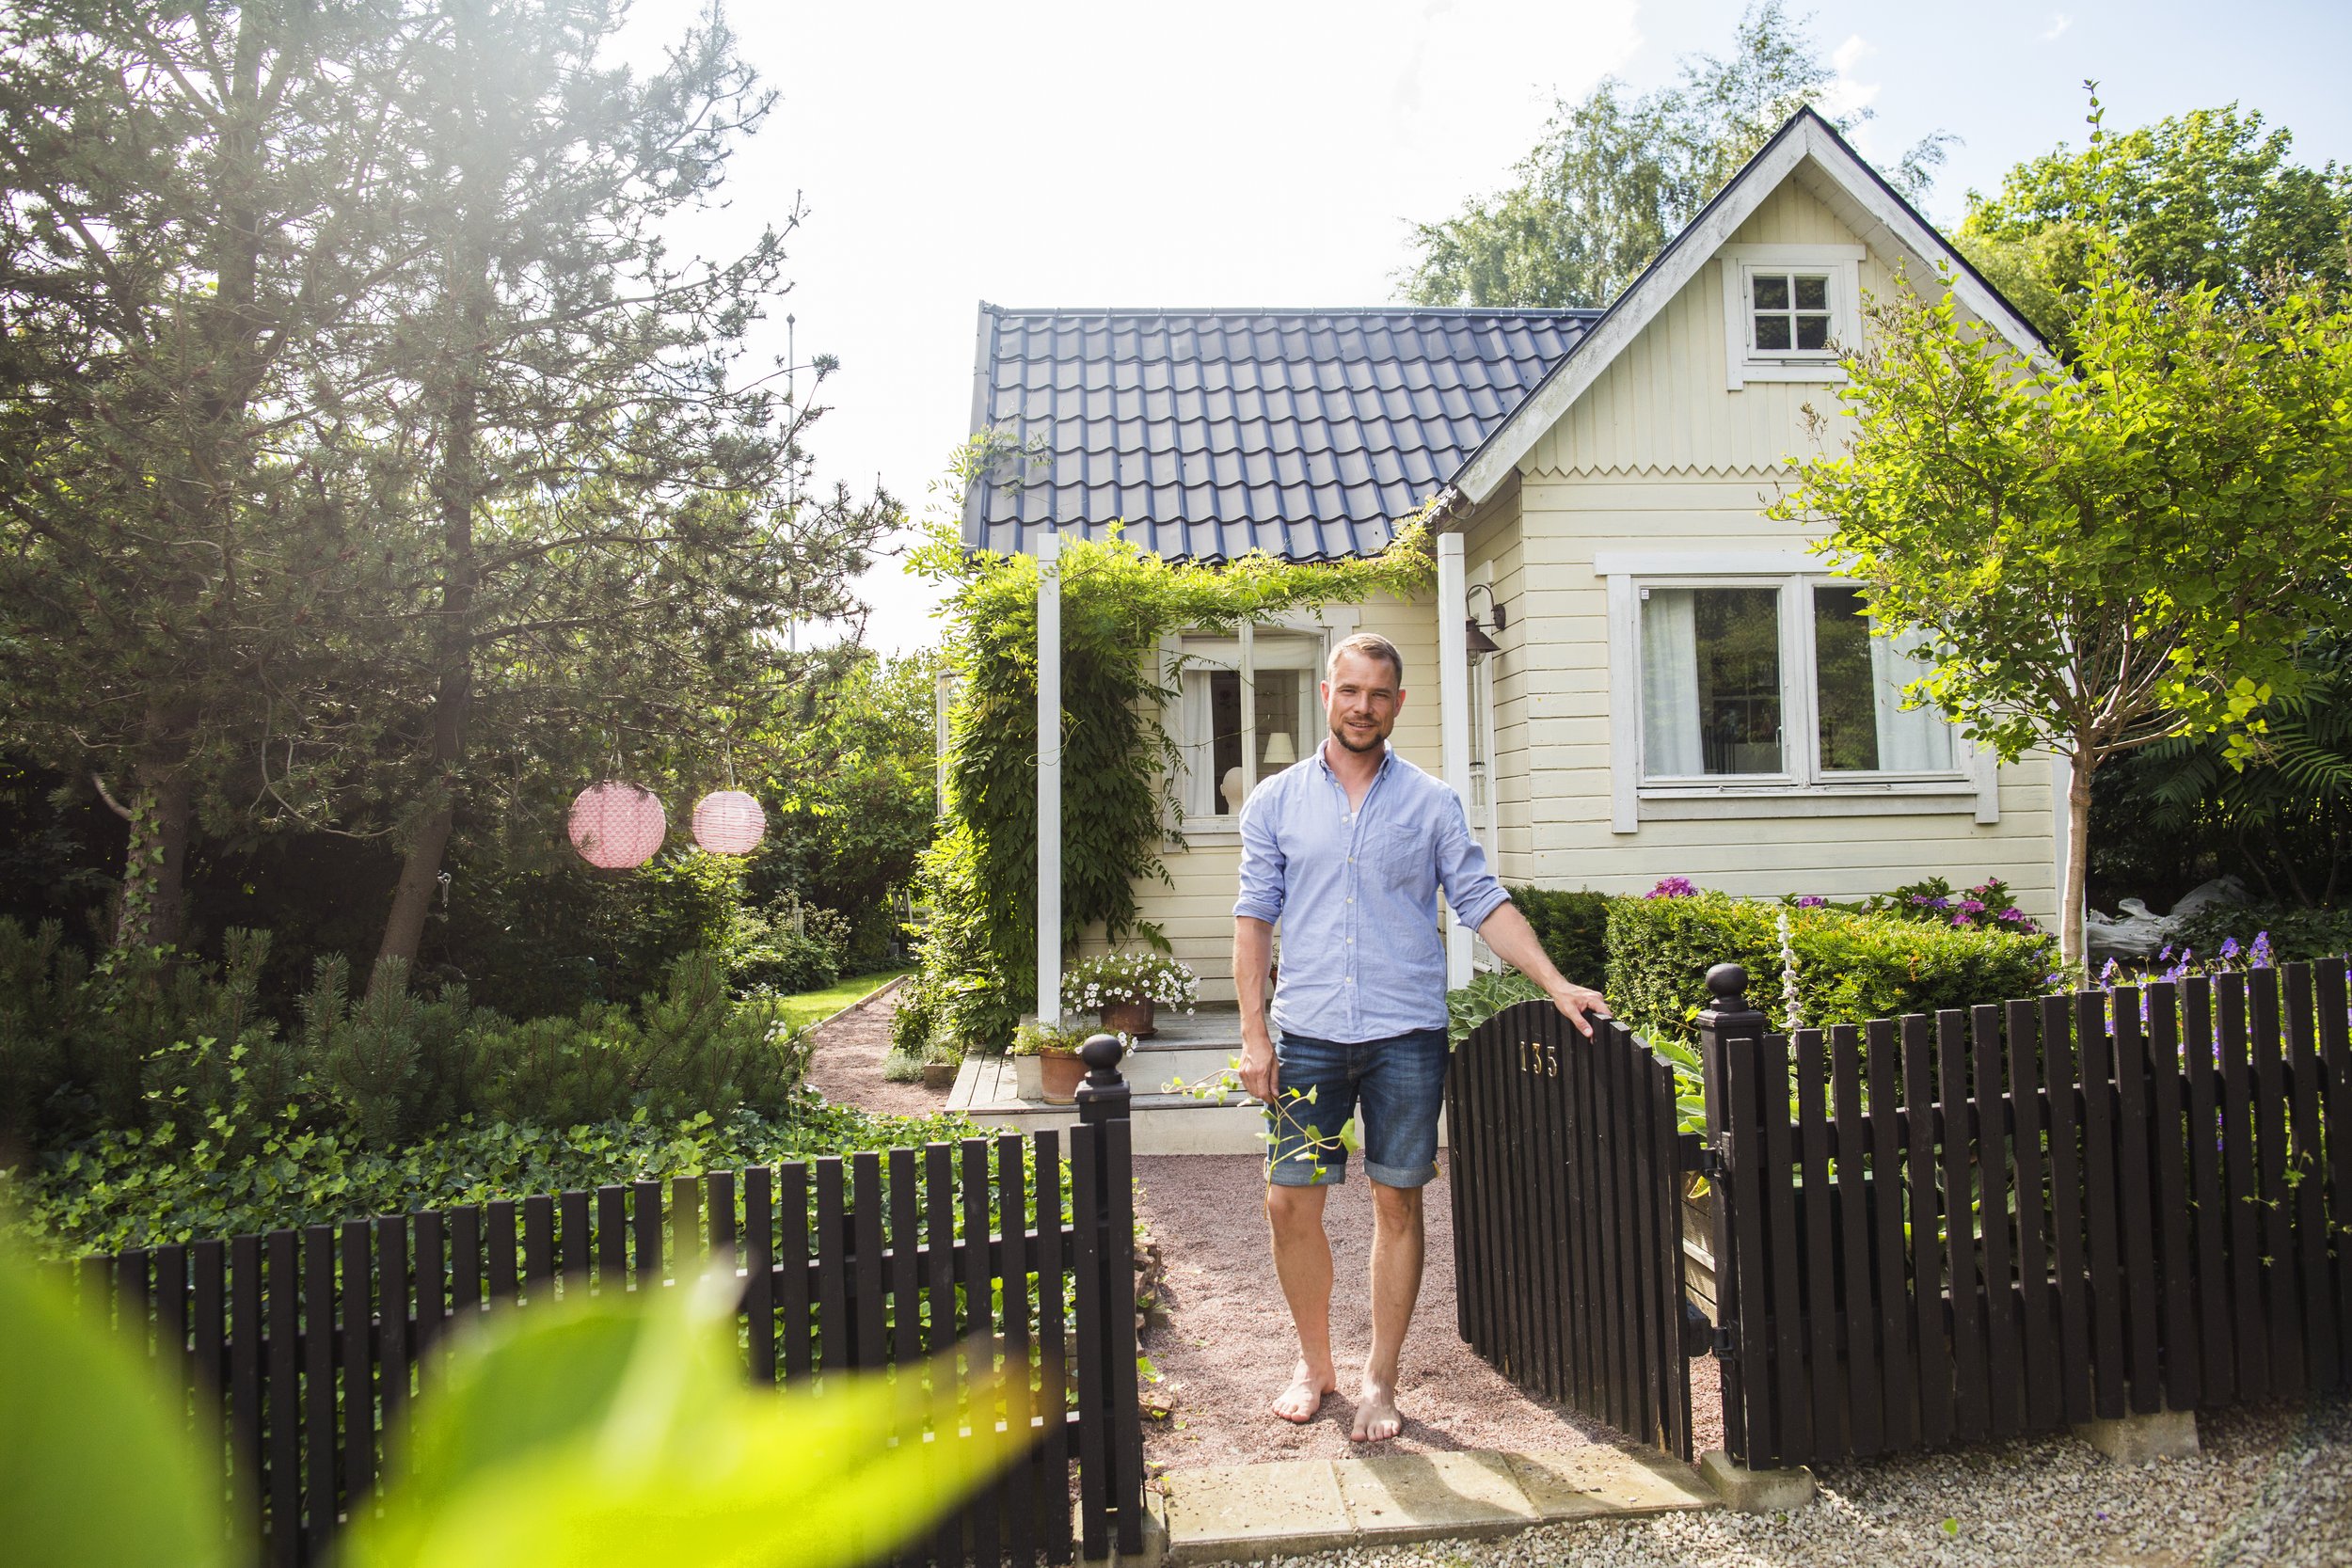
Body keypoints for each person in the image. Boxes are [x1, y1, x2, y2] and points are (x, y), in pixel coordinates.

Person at [1232, 630, 1607, 1442]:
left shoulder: (1432, 802)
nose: (1362, 706)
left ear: (1398, 703)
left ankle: (1379, 1378)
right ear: (1326, 695)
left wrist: (1553, 980)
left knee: (1397, 1201)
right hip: (1308, 1037)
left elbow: (1481, 898)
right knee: (1289, 1201)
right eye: (1350, 690)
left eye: (1379, 693)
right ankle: (1314, 1362)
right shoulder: (1275, 803)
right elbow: (1254, 921)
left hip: (1406, 1036)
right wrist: (1254, 1035)